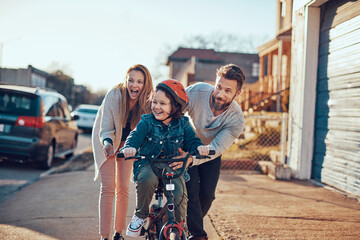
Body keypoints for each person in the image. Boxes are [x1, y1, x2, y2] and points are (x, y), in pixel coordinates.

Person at [120, 79, 210, 238]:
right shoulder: (146, 121)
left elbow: (192, 141)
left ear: (175, 107)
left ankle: (180, 225)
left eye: (163, 103)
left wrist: (199, 148)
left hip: (172, 164)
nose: (156, 107)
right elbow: (134, 136)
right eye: (155, 102)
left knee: (179, 192)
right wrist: (129, 147)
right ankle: (140, 215)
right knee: (147, 179)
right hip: (148, 162)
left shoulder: (183, 123)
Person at [176, 64, 245, 240]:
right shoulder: (196, 92)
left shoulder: (236, 120)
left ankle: (187, 223)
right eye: (219, 87)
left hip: (211, 151)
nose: (220, 94)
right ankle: (197, 234)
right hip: (187, 146)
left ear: (237, 94)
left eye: (228, 91)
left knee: (207, 195)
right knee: (191, 191)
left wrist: (193, 159)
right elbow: (175, 112)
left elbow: (217, 147)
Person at [92, 64, 154, 240]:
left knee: (124, 187)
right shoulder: (115, 95)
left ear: (145, 83)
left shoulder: (147, 102)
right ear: (126, 80)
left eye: (140, 82)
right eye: (131, 80)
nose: (135, 85)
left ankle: (118, 233)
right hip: (107, 139)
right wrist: (107, 144)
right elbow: (105, 128)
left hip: (128, 144)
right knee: (108, 188)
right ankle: (104, 236)